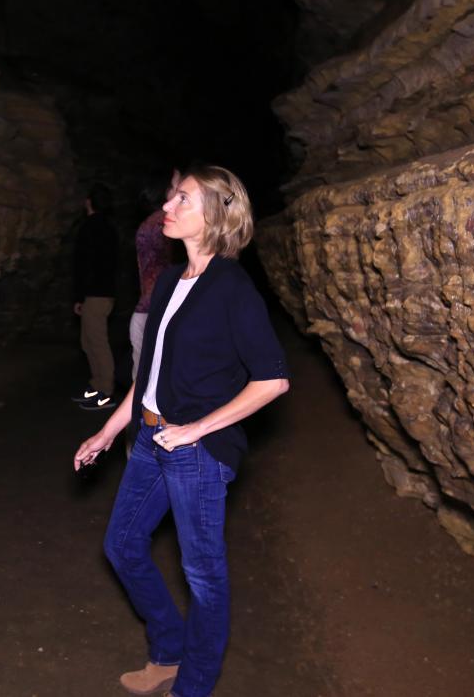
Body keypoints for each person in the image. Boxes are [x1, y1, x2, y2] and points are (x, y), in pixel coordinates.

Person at [73, 166, 290, 697]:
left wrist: (198, 428)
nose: (168, 206)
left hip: (196, 451)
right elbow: (149, 372)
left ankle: (193, 685)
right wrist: (107, 431)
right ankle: (168, 650)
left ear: (217, 216)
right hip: (149, 439)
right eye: (172, 196)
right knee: (122, 545)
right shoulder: (170, 279)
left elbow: (273, 380)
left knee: (204, 576)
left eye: (183, 200)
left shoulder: (233, 287)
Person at [71, 183, 118, 410]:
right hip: (103, 293)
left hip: (95, 294)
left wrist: (79, 296)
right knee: (88, 341)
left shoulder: (89, 228)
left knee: (97, 342)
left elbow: (84, 265)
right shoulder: (109, 228)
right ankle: (97, 386)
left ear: (89, 202)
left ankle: (106, 392)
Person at [130, 169, 180, 377]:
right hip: (156, 313)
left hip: (148, 312)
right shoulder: (167, 224)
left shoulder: (151, 223)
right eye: (178, 185)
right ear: (165, 191)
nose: (182, 190)